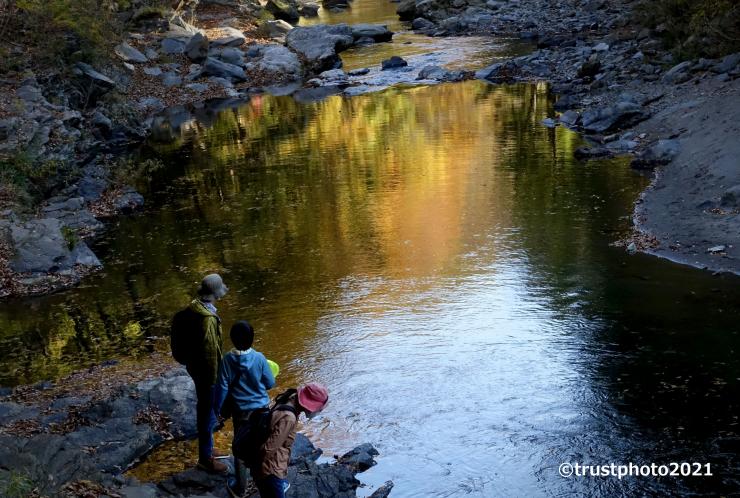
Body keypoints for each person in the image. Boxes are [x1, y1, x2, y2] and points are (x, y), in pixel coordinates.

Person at [213, 320, 277, 498]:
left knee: (241, 448)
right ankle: (269, 481)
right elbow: (270, 383)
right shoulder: (259, 358)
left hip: (241, 412)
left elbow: (222, 386)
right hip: (263, 410)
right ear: (252, 339)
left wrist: (217, 409)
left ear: (232, 339)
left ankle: (240, 488)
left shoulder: (227, 360)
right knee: (263, 445)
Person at [253, 383, 329, 498]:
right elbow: (269, 449)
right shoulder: (289, 418)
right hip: (271, 469)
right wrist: (259, 470)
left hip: (271, 467)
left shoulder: (291, 397)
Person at [187, 273, 229, 474]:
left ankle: (208, 448)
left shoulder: (195, 307)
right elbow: (211, 351)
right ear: (215, 293)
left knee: (206, 412)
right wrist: (217, 379)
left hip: (196, 369)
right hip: (207, 375)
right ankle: (205, 459)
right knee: (208, 415)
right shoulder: (208, 319)